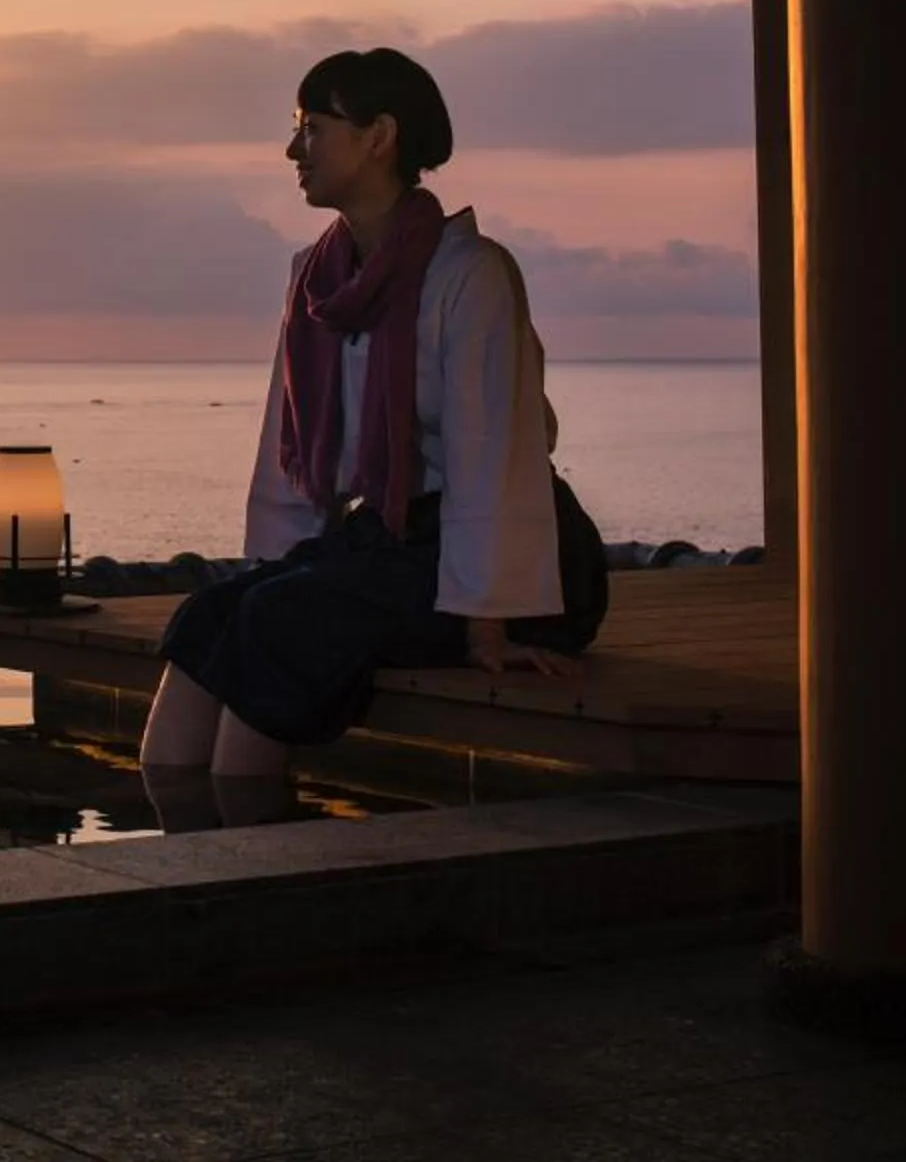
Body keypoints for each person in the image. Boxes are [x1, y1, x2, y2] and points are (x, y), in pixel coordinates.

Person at [139, 48, 605, 828]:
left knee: (280, 623)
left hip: (518, 561)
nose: (294, 150)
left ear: (379, 136)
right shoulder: (317, 279)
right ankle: (173, 841)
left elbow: (495, 452)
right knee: (209, 616)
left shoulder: (471, 275)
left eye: (312, 128)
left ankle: (239, 858)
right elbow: (290, 444)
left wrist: (487, 621)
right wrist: (275, 566)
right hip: (389, 541)